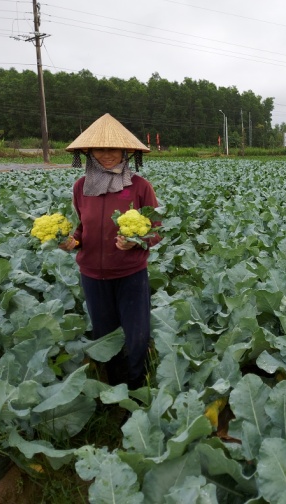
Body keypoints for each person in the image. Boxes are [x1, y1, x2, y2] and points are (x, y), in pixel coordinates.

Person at [61, 113, 162, 390]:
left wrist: (137, 242)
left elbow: (156, 230)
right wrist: (73, 241)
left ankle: (137, 384)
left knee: (136, 334)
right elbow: (83, 228)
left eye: (113, 149)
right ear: (89, 152)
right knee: (106, 337)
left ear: (125, 151)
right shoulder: (81, 187)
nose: (107, 155)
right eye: (100, 149)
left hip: (130, 273)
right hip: (93, 275)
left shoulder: (140, 186)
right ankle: (115, 386)